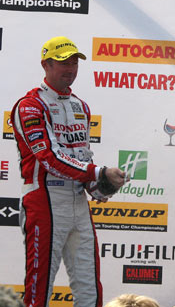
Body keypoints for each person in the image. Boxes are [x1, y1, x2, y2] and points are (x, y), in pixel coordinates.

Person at [11, 36, 129, 307]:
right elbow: (49, 158)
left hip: (77, 203)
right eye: (64, 61)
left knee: (90, 288)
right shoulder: (30, 105)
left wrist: (103, 185)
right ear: (46, 64)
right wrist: (98, 172)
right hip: (44, 200)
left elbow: (80, 158)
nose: (71, 68)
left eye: (75, 62)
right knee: (39, 287)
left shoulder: (81, 106)